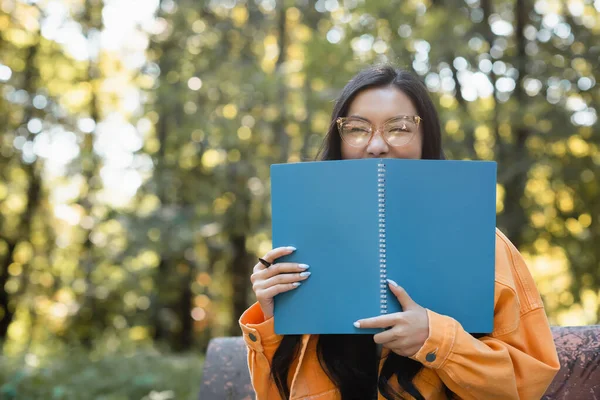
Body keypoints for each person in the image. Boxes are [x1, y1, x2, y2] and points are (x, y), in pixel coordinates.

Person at [239, 65, 560, 400]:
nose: (377, 145)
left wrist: (435, 339)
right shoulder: (303, 247)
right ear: (339, 140)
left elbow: (526, 386)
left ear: (426, 139)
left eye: (399, 128)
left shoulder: (485, 244)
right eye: (358, 129)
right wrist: (274, 318)